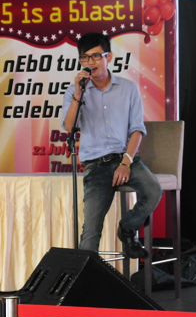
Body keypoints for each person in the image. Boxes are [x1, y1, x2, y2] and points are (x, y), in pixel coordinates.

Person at [61, 32, 162, 258]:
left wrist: (125, 163)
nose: (90, 62)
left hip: (125, 159)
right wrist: (78, 93)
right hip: (95, 165)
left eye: (96, 56)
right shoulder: (75, 92)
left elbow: (137, 130)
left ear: (108, 57)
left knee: (153, 190)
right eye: (85, 57)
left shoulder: (128, 88)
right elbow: (69, 127)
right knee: (90, 232)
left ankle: (127, 229)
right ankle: (86, 277)